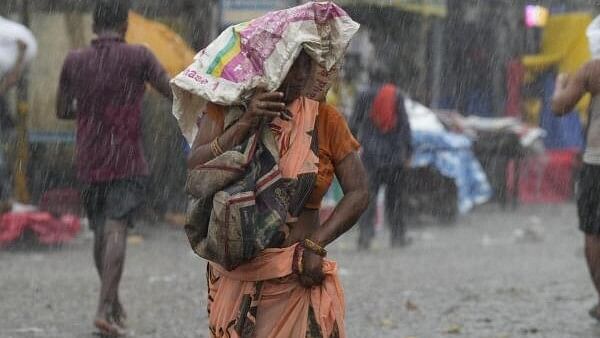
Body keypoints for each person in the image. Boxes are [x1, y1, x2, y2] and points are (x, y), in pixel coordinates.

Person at [188, 49, 369, 337]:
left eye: (305, 67)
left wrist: (316, 243)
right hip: (234, 278)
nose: (297, 76)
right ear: (264, 67)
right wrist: (246, 123)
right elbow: (196, 169)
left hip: (296, 278)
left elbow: (359, 192)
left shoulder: (324, 119)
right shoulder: (228, 108)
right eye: (288, 66)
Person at [55, 0, 172, 335]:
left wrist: (92, 109)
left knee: (100, 230)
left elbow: (62, 110)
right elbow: (173, 93)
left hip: (89, 159)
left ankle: (112, 302)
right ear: (124, 26)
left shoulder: (74, 61)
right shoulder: (140, 56)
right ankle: (104, 307)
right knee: (116, 229)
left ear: (94, 26)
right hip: (127, 158)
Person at [552, 62, 600, 321]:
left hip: (597, 163)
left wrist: (560, 84)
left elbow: (559, 106)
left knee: (593, 232)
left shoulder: (593, 70)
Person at [350, 69, 413, 250]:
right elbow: (404, 125)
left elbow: (353, 124)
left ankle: (365, 237)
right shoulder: (396, 94)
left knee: (368, 198)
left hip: (371, 156)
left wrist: (349, 148)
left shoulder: (363, 95)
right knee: (396, 199)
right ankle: (398, 236)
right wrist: (408, 151)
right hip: (394, 156)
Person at [0, 39, 27, 208]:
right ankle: (6, 198)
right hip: (4, 129)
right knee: (2, 165)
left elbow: (12, 79)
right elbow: (10, 81)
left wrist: (20, 55)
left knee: (5, 164)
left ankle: (7, 199)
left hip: (5, 128)